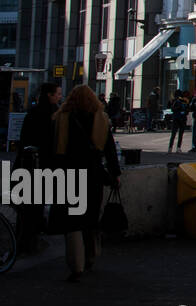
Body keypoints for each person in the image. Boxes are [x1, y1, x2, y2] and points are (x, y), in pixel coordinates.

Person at [50, 85, 121, 282]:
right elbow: (110, 150)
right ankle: (91, 255)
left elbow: (53, 150)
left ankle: (76, 265)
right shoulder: (101, 118)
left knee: (72, 221)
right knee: (91, 218)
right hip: (94, 174)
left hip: (70, 173)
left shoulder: (62, 118)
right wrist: (115, 173)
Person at [16, 82, 62, 254]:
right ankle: (31, 240)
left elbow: (23, 141)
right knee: (38, 203)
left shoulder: (33, 113)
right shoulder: (55, 115)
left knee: (27, 205)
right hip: (45, 165)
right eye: (57, 93)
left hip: (28, 166)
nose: (59, 96)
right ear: (49, 95)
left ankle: (24, 239)